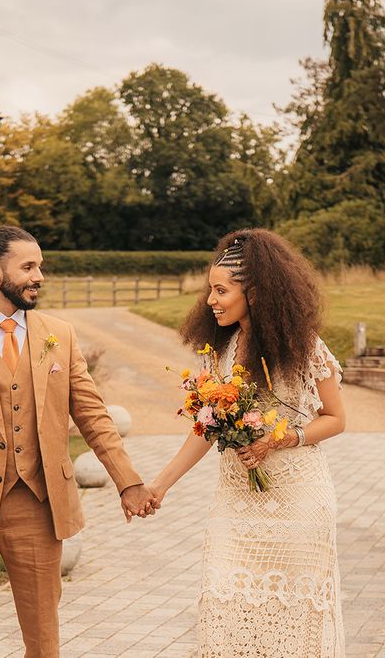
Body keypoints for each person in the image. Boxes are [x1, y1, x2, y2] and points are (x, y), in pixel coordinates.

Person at [0, 226, 157, 658]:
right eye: (28, 266)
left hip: (37, 505)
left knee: (43, 639)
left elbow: (93, 417)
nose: (38, 276)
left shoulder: (59, 335)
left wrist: (129, 482)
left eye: (40, 266)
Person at [149, 228, 346, 657]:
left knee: (294, 621)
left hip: (297, 502)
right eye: (209, 291)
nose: (211, 301)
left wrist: (281, 440)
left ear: (254, 291)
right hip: (235, 504)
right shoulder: (217, 353)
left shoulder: (305, 348)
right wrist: (159, 485)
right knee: (225, 606)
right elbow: (205, 428)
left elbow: (335, 419)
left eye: (221, 290)